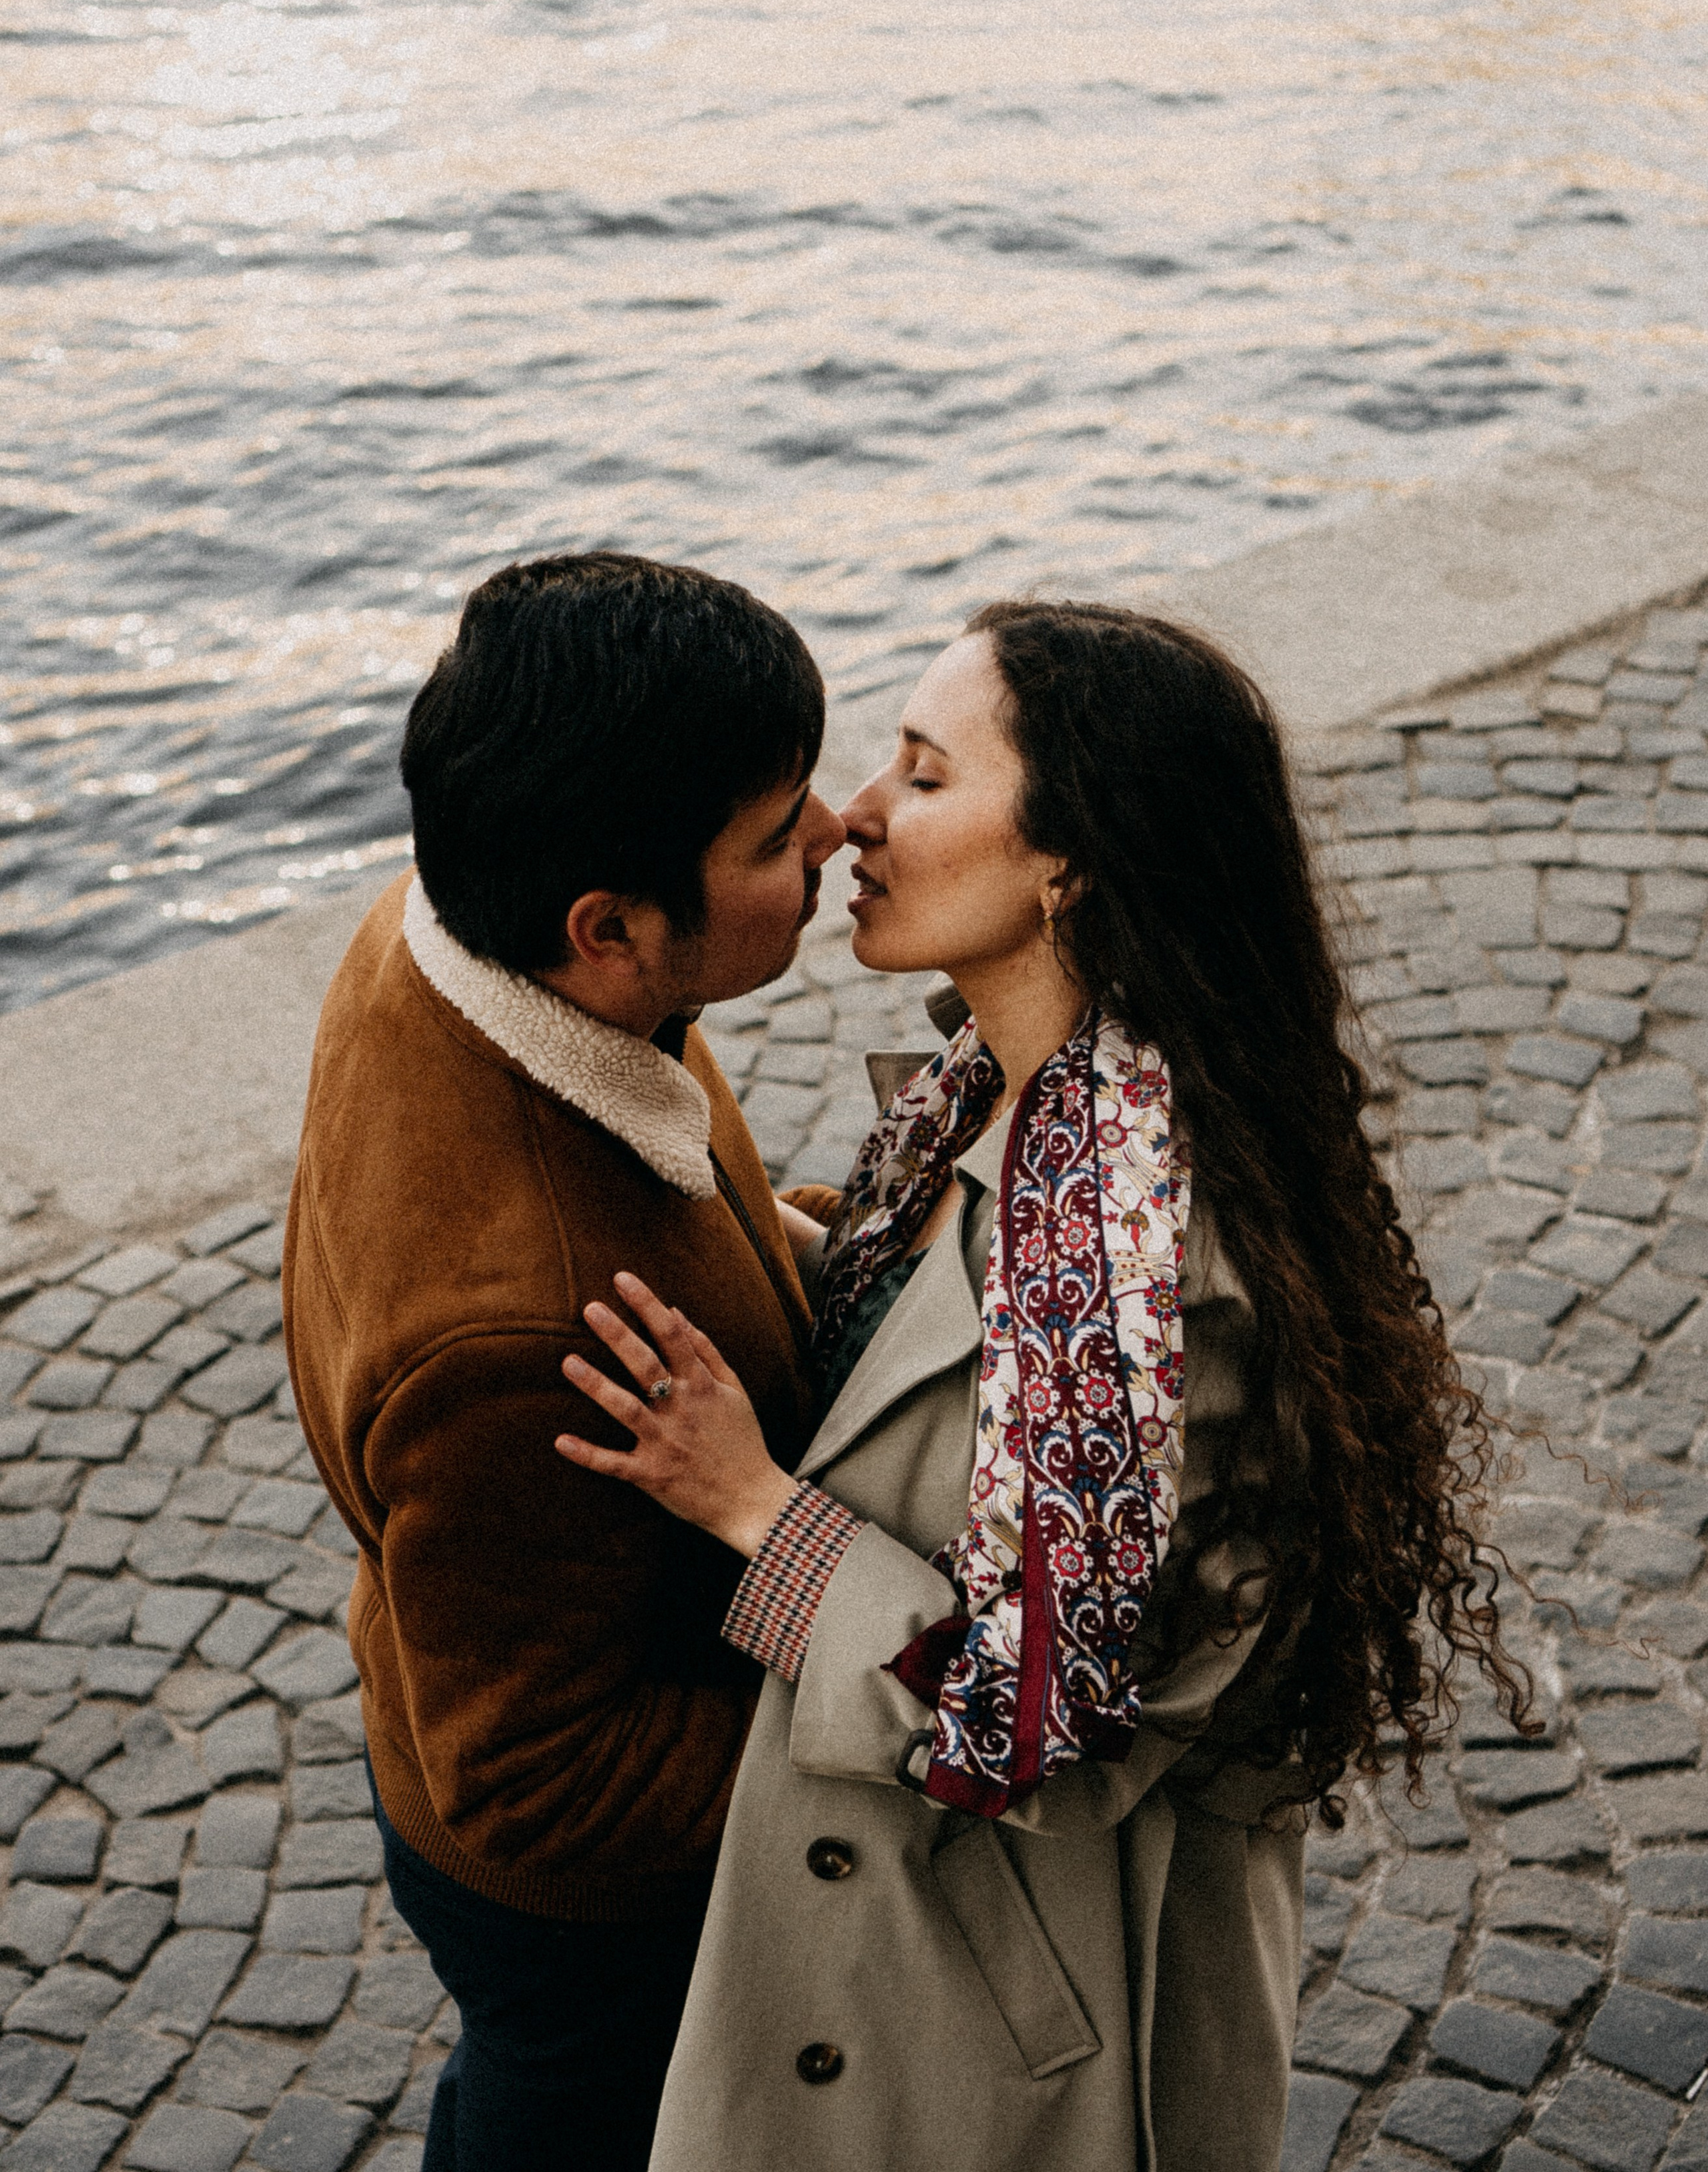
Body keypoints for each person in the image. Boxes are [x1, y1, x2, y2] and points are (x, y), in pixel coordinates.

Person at [554, 600, 1532, 2172]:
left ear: (1067, 858)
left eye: (925, 776)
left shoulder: (1134, 1228)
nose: (851, 816)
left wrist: (749, 1504)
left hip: (1018, 2022)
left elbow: (1034, 1717)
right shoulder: (995, 1100)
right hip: (907, 1953)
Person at [282, 551, 846, 2172]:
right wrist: (873, 1749)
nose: (831, 837)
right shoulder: (518, 1332)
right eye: (769, 834)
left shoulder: (449, 925)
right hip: (599, 1933)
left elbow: (696, 1210)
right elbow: (534, 1778)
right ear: (609, 931)